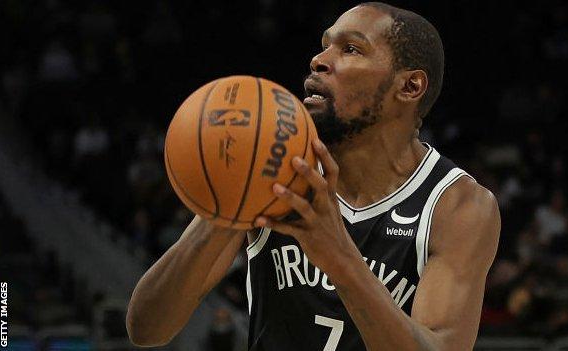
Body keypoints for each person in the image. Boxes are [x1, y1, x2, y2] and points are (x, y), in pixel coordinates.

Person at [126, 2, 501, 350]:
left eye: (350, 49)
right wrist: (228, 204)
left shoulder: (457, 205)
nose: (319, 60)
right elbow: (146, 328)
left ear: (409, 86)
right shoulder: (272, 169)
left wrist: (336, 254)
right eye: (324, 47)